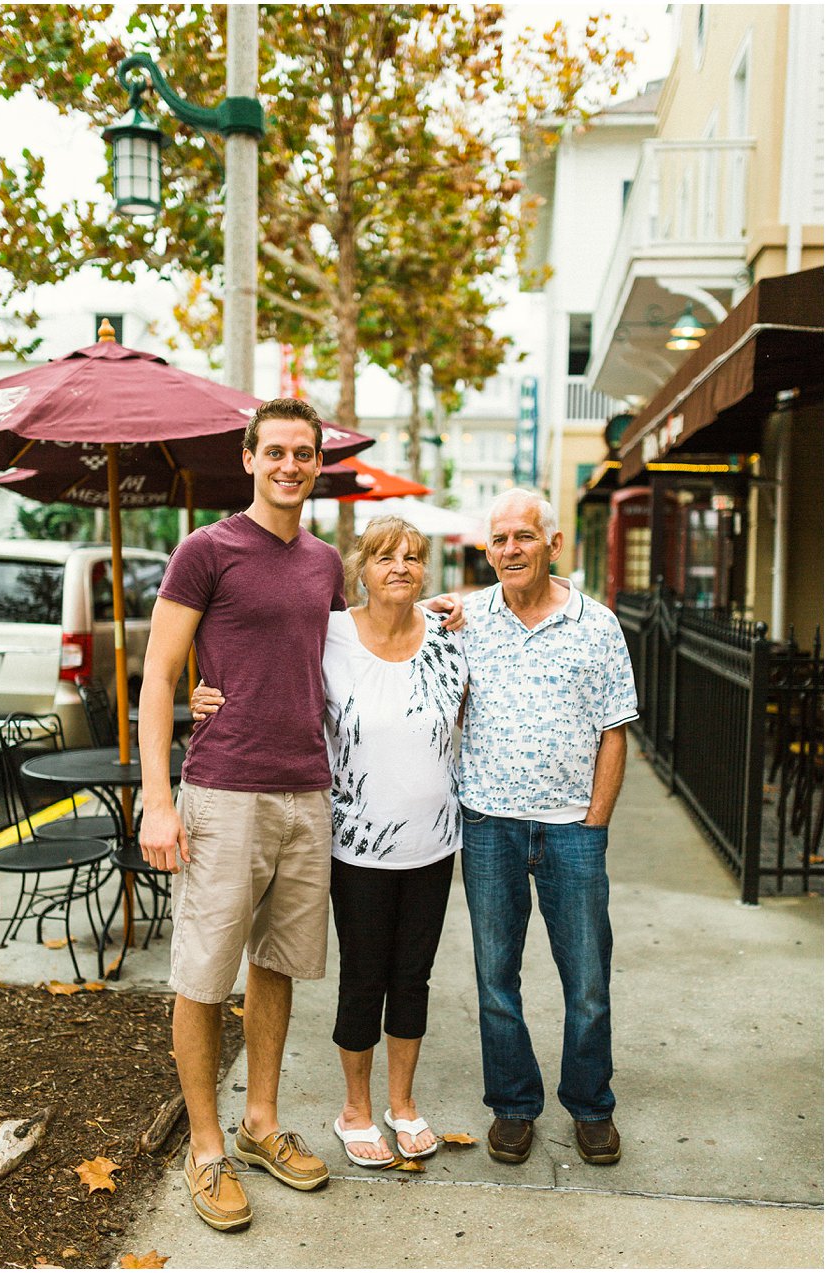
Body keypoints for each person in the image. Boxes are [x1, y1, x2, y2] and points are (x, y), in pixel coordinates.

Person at [140, 401, 462, 1232]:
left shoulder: (323, 563)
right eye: (274, 450)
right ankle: (206, 1147)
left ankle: (260, 1124)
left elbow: (366, 633)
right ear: (248, 458)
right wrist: (159, 800)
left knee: (277, 964)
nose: (289, 464)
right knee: (204, 975)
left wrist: (453, 612)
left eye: (303, 453)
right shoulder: (204, 550)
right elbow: (158, 678)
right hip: (224, 789)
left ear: (317, 465)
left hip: (309, 792)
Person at [192, 516, 467, 1170]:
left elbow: (523, 595)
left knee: (413, 977)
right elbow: (254, 650)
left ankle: (402, 1104)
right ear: (358, 571)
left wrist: (458, 605)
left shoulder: (453, 637)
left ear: (425, 570)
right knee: (364, 976)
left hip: (434, 842)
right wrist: (198, 689)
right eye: (383, 556)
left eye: (412, 557)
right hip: (358, 844)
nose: (399, 565)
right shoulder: (333, 632)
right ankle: (356, 1110)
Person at [458, 487, 638, 1169]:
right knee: (495, 978)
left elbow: (614, 732)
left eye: (523, 537)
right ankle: (512, 1105)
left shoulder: (597, 625)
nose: (510, 549)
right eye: (499, 538)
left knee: (587, 980)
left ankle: (590, 1106)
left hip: (570, 831)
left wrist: (593, 825)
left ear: (552, 544)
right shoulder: (464, 617)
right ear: (488, 549)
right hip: (489, 824)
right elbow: (375, 632)